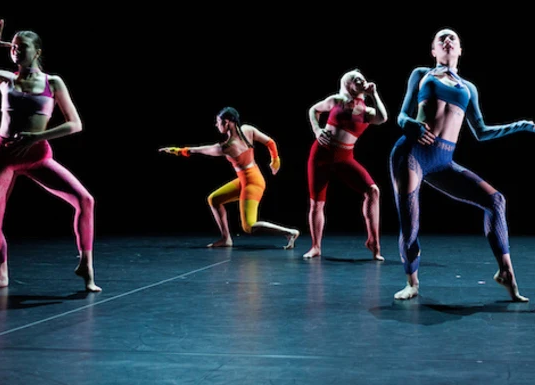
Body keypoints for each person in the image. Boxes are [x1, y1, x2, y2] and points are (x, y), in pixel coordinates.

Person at [389, 28, 535, 302]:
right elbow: (401, 117)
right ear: (433, 50)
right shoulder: (421, 75)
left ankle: (506, 272)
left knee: (496, 201)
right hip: (411, 154)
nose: (447, 41)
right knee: (411, 225)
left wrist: (522, 126)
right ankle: (412, 282)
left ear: (461, 50)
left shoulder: (469, 88)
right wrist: (412, 125)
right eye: (441, 39)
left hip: (442, 161)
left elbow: (482, 131)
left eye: (453, 38)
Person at [0, 16, 100, 291]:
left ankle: (86, 265)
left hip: (38, 154)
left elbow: (75, 124)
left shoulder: (53, 82)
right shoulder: (4, 79)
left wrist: (38, 136)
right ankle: (1, 272)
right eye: (13, 47)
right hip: (5, 153)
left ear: (37, 51)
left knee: (85, 200)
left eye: (22, 46)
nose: (16, 51)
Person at [159, 106, 300, 249]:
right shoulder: (247, 130)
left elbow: (201, 150)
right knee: (214, 199)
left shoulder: (227, 147)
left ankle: (290, 233)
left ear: (227, 122)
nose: (216, 125)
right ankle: (226, 239)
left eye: (218, 122)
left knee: (249, 226)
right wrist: (275, 160)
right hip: (248, 179)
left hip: (252, 184)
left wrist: (178, 151)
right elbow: (270, 142)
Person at [303, 69, 388, 260]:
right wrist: (317, 129)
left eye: (362, 79)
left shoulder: (368, 111)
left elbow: (383, 119)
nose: (360, 80)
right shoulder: (337, 100)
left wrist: (374, 94)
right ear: (348, 84)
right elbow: (313, 110)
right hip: (321, 155)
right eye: (355, 79)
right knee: (316, 203)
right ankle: (316, 246)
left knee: (373, 191)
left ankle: (373, 242)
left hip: (344, 158)